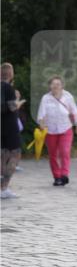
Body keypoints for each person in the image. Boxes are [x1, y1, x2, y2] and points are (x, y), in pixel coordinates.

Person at [36, 75, 77, 186]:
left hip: (66, 128)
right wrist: (41, 123)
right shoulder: (45, 98)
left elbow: (74, 111)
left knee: (64, 151)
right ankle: (57, 177)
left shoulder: (68, 96)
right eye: (53, 84)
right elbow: (41, 114)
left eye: (58, 84)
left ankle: (64, 175)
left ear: (62, 86)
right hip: (50, 131)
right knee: (53, 155)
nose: (55, 86)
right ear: (49, 86)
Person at [1, 63, 24, 199]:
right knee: (15, 155)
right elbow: (8, 107)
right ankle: (3, 187)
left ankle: (2, 188)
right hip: (9, 128)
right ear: (10, 74)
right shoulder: (8, 88)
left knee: (3, 156)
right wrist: (17, 102)